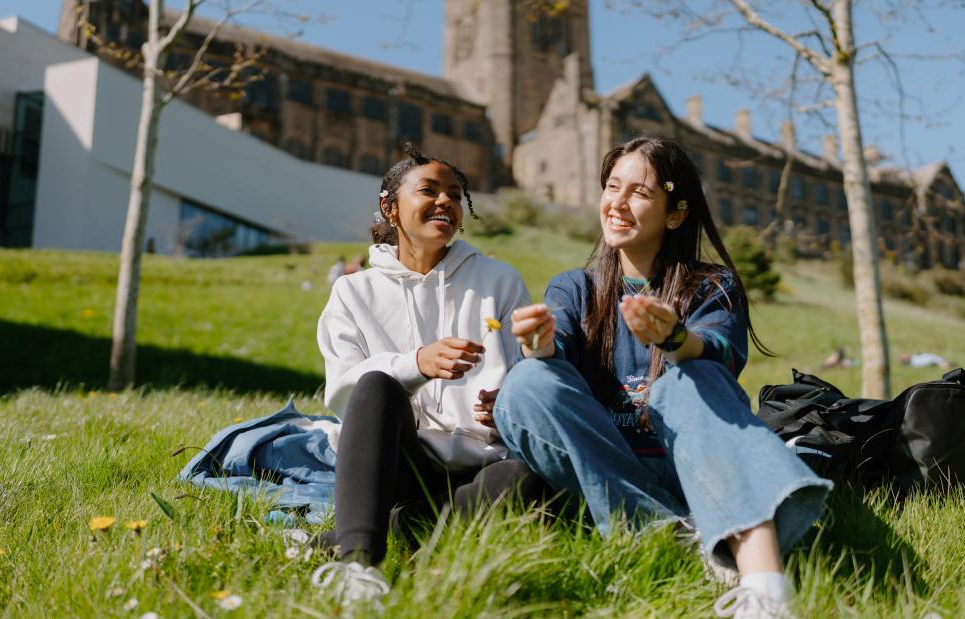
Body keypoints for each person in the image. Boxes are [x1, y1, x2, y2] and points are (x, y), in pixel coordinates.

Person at [495, 136, 832, 618]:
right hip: (603, 468)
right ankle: (677, 532)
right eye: (612, 186)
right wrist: (538, 342)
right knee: (527, 383)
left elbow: (718, 353)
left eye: (640, 192)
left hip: (694, 465)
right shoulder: (575, 287)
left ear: (675, 214)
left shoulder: (711, 285)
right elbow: (557, 353)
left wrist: (675, 339)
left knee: (687, 377)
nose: (618, 202)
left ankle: (766, 590)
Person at [314, 144, 544, 606]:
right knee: (376, 384)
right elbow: (343, 395)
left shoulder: (498, 280)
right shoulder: (352, 292)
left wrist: (510, 407)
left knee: (528, 481)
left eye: (455, 195)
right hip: (395, 463)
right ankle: (358, 565)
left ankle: (396, 523)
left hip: (482, 463)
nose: (445, 202)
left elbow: (530, 372)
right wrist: (413, 365)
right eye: (429, 190)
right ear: (390, 207)